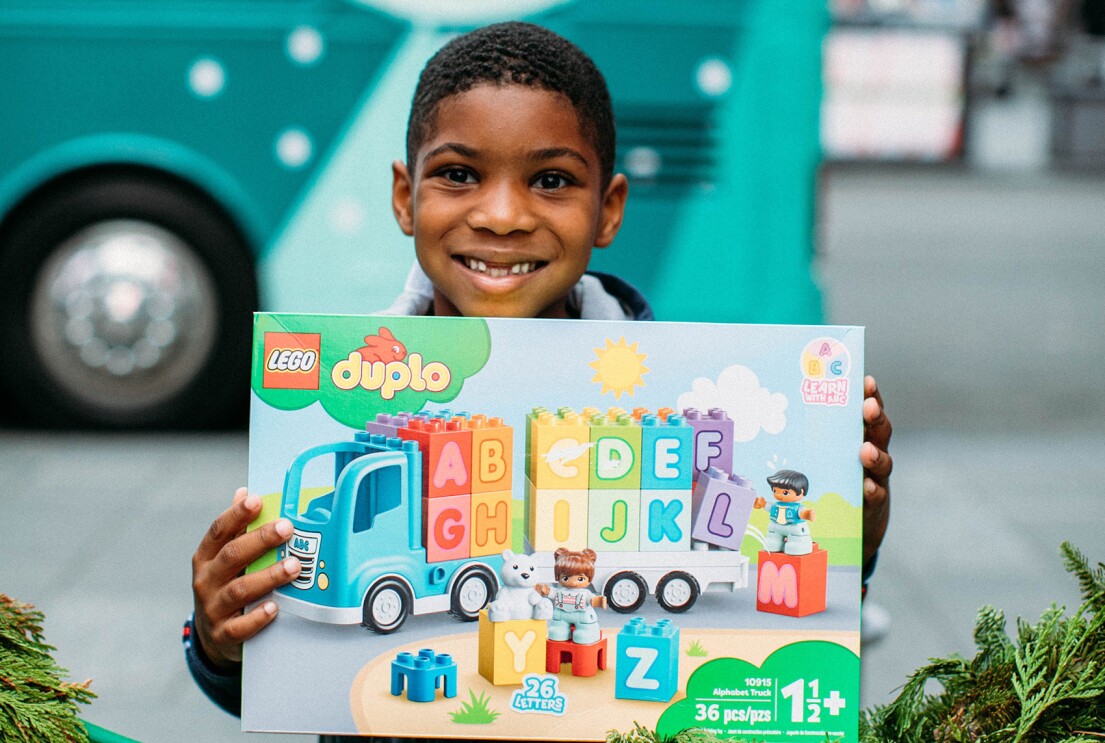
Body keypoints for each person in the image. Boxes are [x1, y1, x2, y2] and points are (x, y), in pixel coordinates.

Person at [184, 21, 893, 741]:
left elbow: (779, 660)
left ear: (607, 209)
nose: (501, 215)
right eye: (458, 174)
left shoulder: (666, 395)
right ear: (404, 196)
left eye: (550, 180)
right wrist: (223, 642)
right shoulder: (349, 393)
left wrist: (850, 547)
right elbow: (281, 683)